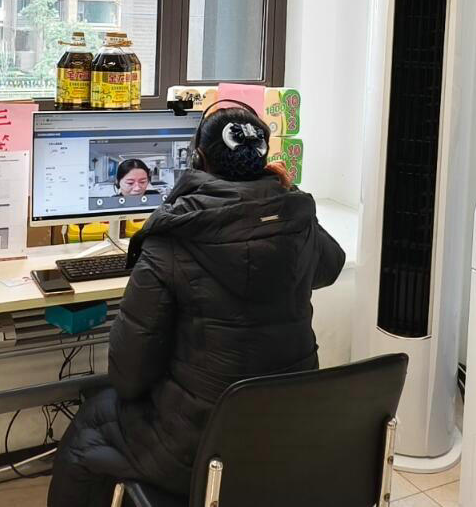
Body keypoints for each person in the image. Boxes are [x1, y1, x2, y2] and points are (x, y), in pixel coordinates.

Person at [48, 102, 346, 507]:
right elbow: (330, 266)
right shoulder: (297, 220)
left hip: (198, 450)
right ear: (263, 161)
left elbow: (128, 376)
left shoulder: (174, 234)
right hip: (288, 435)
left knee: (90, 425)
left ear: (197, 159)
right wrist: (286, 195)